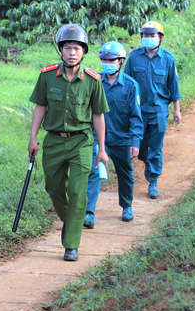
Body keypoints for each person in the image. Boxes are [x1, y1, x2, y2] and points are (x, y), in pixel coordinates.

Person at [28, 24, 109, 262]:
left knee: (77, 191)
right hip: (53, 141)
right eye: (67, 48)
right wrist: (33, 138)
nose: (72, 52)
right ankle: (70, 220)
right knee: (53, 189)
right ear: (60, 50)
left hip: (81, 142)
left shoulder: (93, 81)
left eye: (76, 48)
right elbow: (40, 106)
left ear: (83, 52)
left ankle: (71, 244)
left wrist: (102, 150)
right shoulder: (46, 76)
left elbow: (98, 116)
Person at [84, 41, 143, 226]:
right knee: (93, 172)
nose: (107, 63)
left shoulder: (131, 86)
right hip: (98, 138)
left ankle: (127, 206)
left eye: (111, 60)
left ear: (120, 61)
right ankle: (88, 212)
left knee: (125, 172)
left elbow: (135, 116)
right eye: (104, 60)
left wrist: (135, 141)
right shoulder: (94, 82)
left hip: (122, 139)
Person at [123, 21, 181, 199]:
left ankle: (153, 182)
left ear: (160, 38)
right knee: (138, 145)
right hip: (138, 112)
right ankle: (149, 162)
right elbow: (125, 83)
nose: (148, 39)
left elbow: (174, 86)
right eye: (145, 36)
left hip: (159, 110)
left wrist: (177, 110)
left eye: (152, 35)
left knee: (156, 146)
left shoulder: (168, 59)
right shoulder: (134, 57)